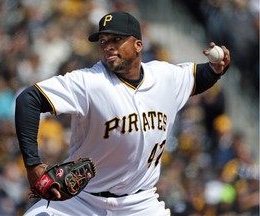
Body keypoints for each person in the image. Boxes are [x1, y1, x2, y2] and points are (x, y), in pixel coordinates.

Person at [15, 11, 230, 216]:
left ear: (138, 45)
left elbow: (199, 77)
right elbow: (29, 99)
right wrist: (33, 164)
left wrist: (216, 68)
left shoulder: (165, 76)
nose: (108, 47)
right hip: (82, 201)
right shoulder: (89, 82)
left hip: (139, 203)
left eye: (116, 40)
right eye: (103, 42)